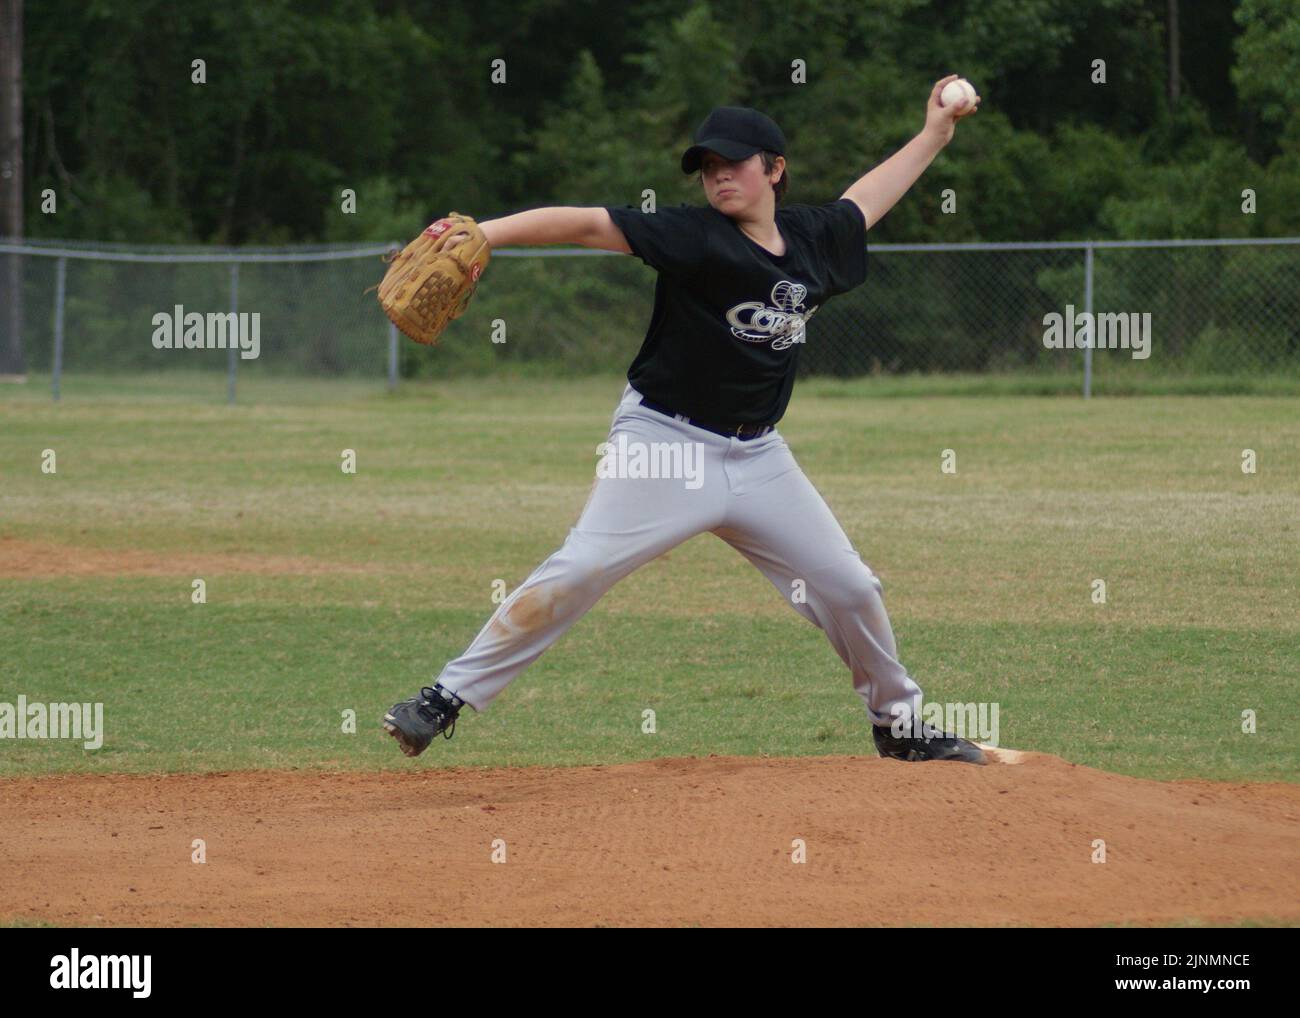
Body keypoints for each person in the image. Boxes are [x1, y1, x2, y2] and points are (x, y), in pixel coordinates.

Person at [384, 75, 984, 763]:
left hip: (759, 457)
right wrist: (485, 233)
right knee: (584, 565)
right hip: (663, 441)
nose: (718, 175)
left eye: (733, 163)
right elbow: (585, 223)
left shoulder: (814, 239)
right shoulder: (693, 236)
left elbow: (868, 198)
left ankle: (899, 727)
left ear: (774, 170)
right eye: (707, 166)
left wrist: (935, 133)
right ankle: (444, 697)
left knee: (850, 586)